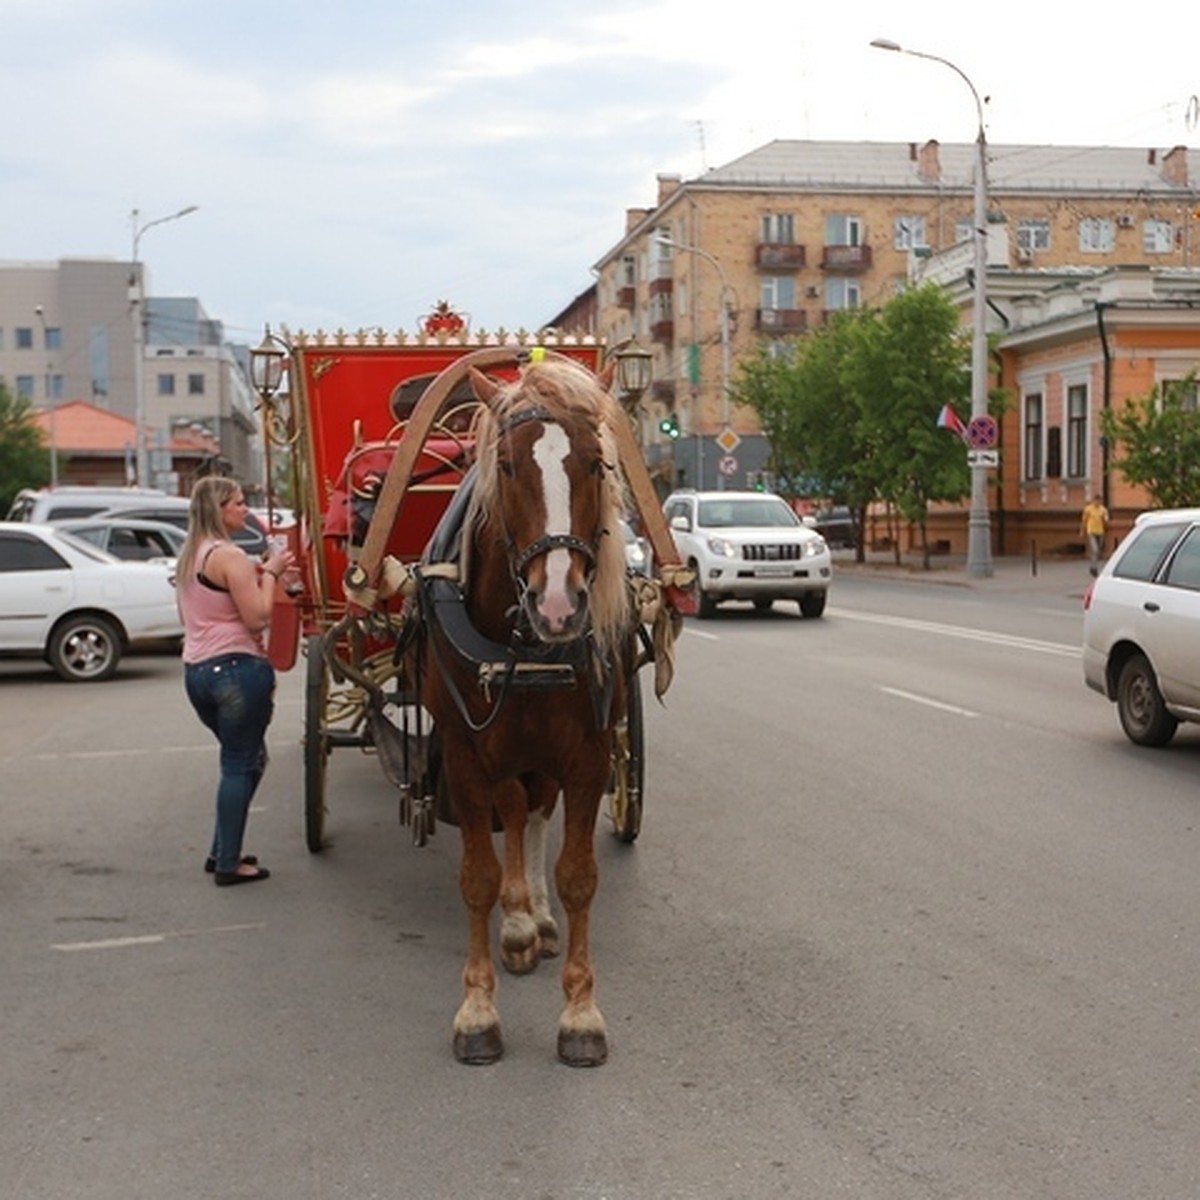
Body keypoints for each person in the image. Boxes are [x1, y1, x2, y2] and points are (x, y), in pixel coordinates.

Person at [176, 477, 295, 886]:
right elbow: (259, 617)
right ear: (219, 509)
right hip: (236, 671)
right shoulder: (230, 556)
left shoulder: (191, 554)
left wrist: (257, 572)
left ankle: (221, 849)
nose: (246, 510)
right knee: (240, 763)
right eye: (239, 503)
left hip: (198, 672)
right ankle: (228, 863)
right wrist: (273, 573)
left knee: (245, 761)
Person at [1081, 494, 1110, 577]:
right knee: (1095, 549)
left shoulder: (1103, 510)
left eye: (1099, 500)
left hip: (1100, 532)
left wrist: (1105, 526)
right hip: (1091, 531)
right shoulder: (1088, 509)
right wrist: (1082, 530)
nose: (1097, 502)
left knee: (1098, 550)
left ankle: (1093, 565)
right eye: (1096, 500)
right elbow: (1084, 520)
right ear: (1093, 501)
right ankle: (1094, 568)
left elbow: (1105, 520)